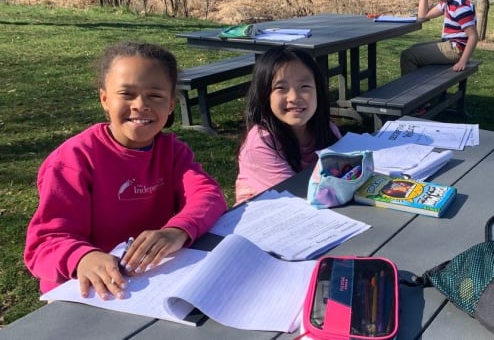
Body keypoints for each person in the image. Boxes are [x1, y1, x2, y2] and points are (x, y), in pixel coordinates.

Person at [24, 42, 227, 298]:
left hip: (150, 282)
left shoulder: (173, 152)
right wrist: (83, 257)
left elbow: (208, 195)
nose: (140, 105)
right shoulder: (73, 160)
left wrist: (177, 231)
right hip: (85, 292)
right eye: (126, 94)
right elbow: (44, 244)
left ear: (171, 104)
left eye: (155, 96)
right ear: (105, 99)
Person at [236, 46, 341, 204]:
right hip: (271, 213)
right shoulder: (261, 142)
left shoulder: (327, 129)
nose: (294, 97)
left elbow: (347, 170)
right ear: (264, 94)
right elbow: (297, 197)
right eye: (280, 88)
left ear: (318, 91)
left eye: (304, 87)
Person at [399, 0, 477, 75]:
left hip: (456, 49)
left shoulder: (459, 6)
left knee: (408, 56)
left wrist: (462, 61)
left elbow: (473, 36)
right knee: (413, 48)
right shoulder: (448, 2)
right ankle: (421, 84)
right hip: (450, 45)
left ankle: (413, 87)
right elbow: (423, 15)